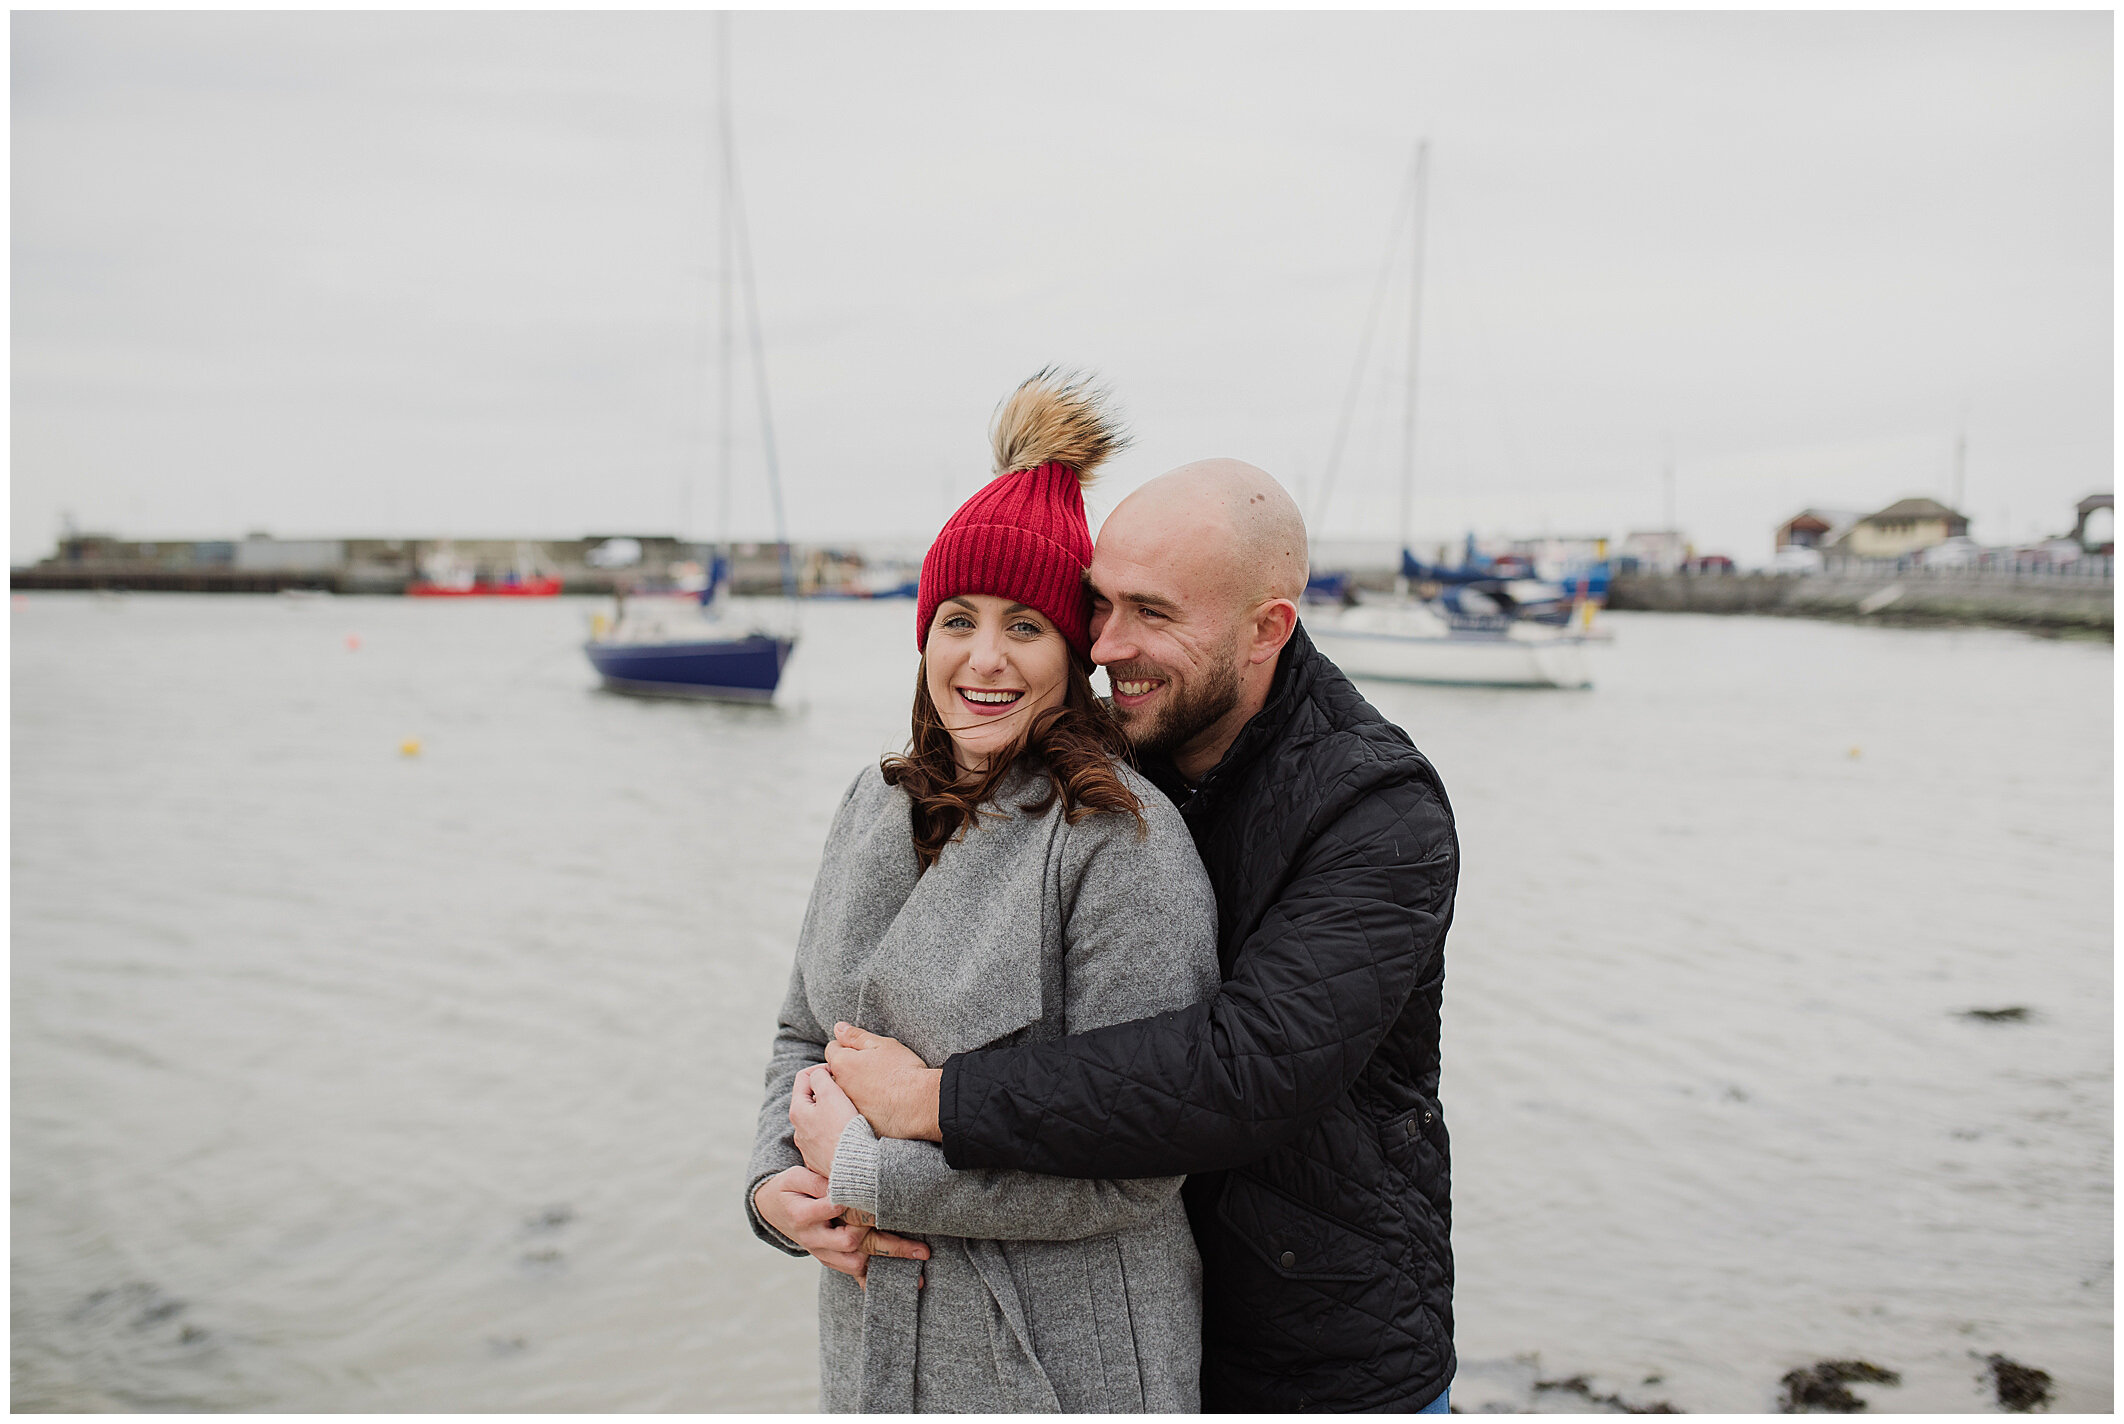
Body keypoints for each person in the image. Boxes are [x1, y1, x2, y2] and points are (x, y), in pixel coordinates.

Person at [821, 459, 1462, 1413]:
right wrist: (784, 1189)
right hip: (1123, 1315)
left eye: (1152, 614)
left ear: (1266, 629)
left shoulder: (1377, 811)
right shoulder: (1111, 753)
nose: (1107, 644)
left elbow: (1245, 1067)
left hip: (1316, 1354)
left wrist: (933, 1102)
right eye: (1098, 604)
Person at [743, 371, 1221, 1412]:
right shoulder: (873, 802)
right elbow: (799, 1029)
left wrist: (871, 1172)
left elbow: (1139, 1167)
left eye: (1026, 626)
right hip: (877, 1338)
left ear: (1072, 654)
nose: (984, 658)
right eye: (958, 618)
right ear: (925, 635)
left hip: (1060, 1357)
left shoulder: (1121, 844)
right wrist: (777, 1182)